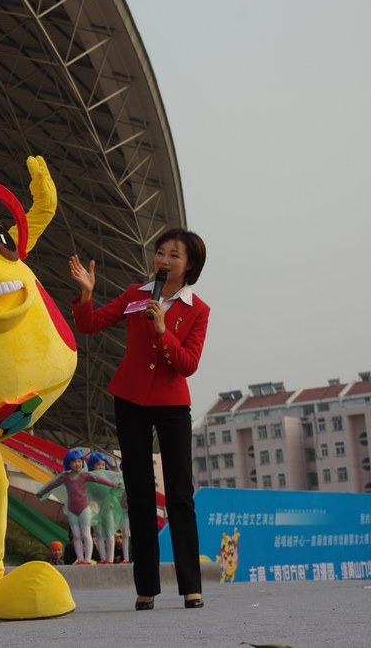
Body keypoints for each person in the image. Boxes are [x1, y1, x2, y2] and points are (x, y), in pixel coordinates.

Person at [68, 227, 208, 611]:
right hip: (130, 399)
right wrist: (86, 293)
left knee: (179, 493)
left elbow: (188, 365)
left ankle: (190, 587)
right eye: (160, 252)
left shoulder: (198, 309)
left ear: (189, 264)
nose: (163, 260)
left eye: (174, 255)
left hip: (172, 403)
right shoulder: (135, 295)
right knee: (139, 493)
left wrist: (163, 330)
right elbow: (89, 324)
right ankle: (145, 588)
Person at [37, 449, 122, 565]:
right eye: (74, 461)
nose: (78, 464)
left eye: (80, 461)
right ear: (69, 463)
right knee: (76, 536)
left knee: (86, 534)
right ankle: (80, 559)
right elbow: (52, 484)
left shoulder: (85, 475)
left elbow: (100, 480)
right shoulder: (65, 477)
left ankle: (87, 559)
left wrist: (114, 484)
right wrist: (42, 492)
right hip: (72, 510)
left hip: (84, 509)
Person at [85, 452, 125, 564]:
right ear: (92, 465)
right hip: (95, 509)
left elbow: (114, 490)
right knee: (98, 534)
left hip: (107, 507)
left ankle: (110, 558)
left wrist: (112, 502)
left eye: (103, 464)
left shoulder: (108, 476)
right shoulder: (89, 477)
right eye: (98, 464)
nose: (101, 467)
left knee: (109, 533)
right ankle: (103, 558)